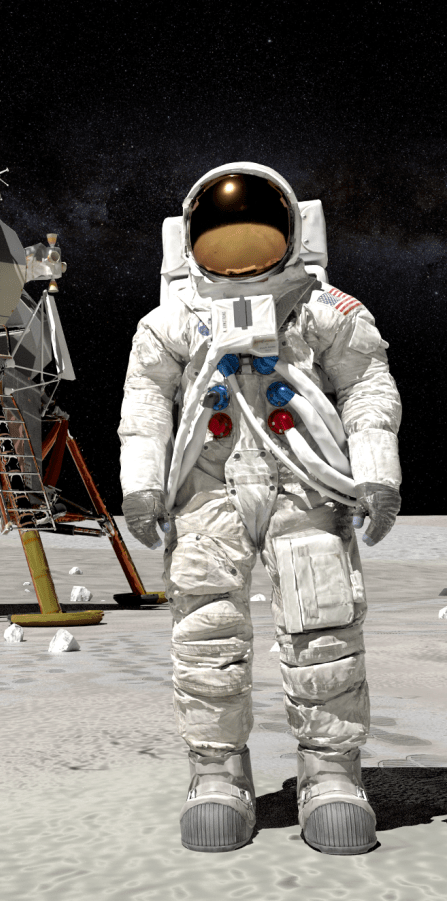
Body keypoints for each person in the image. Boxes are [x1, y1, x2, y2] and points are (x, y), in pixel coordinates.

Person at [118, 162, 401, 855]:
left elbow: (367, 387)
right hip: (207, 491)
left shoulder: (324, 308)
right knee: (206, 630)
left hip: (305, 485)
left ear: (291, 232)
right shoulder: (172, 320)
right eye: (221, 235)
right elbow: (145, 405)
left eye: (256, 232)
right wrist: (142, 484)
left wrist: (375, 472)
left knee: (321, 625)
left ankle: (330, 772)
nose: (240, 250)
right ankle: (217, 773)